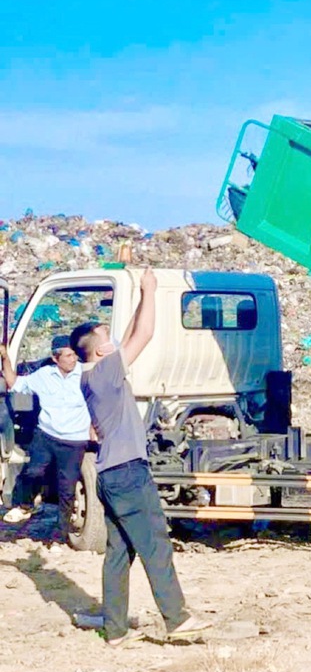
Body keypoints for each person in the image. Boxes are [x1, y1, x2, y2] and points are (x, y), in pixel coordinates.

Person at [70, 269, 209, 646]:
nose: (114, 341)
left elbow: (129, 334)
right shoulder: (105, 372)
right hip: (130, 474)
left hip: (112, 475)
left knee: (119, 552)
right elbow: (143, 335)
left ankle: (115, 630)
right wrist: (151, 291)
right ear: (100, 350)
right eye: (107, 338)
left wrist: (135, 299)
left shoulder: (94, 373)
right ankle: (177, 618)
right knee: (155, 543)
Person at [1, 336, 91, 536]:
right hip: (47, 435)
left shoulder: (86, 375)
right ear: (55, 358)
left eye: (75, 354)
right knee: (33, 471)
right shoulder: (43, 375)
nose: (73, 359)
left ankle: (60, 536)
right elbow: (13, 383)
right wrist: (6, 358)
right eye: (68, 355)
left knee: (67, 489)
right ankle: (24, 505)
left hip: (74, 440)